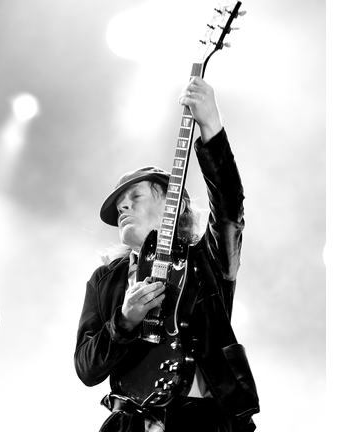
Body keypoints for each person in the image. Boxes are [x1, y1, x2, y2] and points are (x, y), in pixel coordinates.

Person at [74, 77, 259, 432]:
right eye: (119, 206)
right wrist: (124, 321)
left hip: (204, 422)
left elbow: (230, 211)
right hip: (132, 423)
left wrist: (210, 127)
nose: (123, 207)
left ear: (172, 203)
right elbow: (86, 367)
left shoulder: (205, 259)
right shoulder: (105, 279)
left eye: (136, 197)